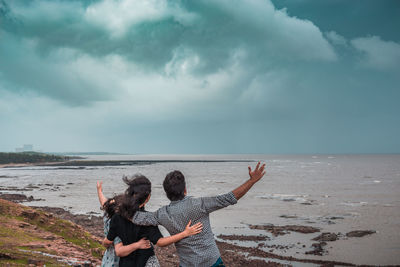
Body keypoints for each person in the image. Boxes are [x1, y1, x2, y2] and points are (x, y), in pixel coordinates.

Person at [131, 162, 266, 267]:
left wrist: (119, 202)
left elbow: (137, 217)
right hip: (211, 262)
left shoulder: (162, 214)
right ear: (185, 189)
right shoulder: (199, 205)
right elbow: (229, 198)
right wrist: (252, 181)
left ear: (166, 193)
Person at [102, 175, 203, 267]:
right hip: (146, 262)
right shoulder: (147, 219)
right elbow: (160, 242)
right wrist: (185, 233)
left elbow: (108, 241)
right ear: (148, 198)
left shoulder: (117, 217)